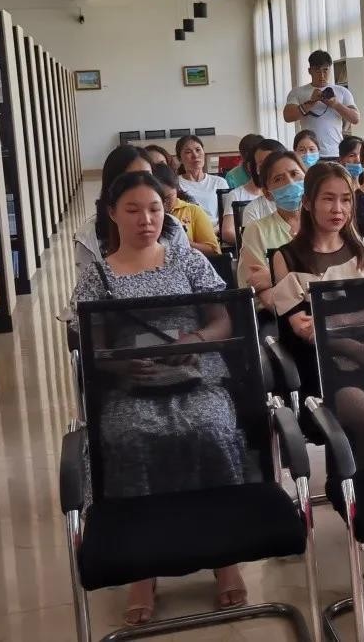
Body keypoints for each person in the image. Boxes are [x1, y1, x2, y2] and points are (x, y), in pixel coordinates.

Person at [70, 171, 248, 627]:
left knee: (211, 429)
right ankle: (142, 567)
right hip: (132, 384)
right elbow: (93, 345)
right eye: (132, 210)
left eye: (153, 209)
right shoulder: (98, 276)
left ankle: (224, 554)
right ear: (112, 214)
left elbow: (222, 320)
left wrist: (197, 339)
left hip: (196, 374)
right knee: (129, 438)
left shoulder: (188, 260)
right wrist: (120, 363)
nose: (145, 220)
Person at [268, 161, 364, 581]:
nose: (338, 209)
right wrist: (351, 342)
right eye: (328, 199)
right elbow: (301, 329)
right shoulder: (286, 257)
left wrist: (331, 320)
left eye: (346, 199)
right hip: (324, 366)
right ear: (309, 203)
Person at [74, 145, 190, 276]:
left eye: (148, 176)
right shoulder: (88, 238)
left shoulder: (173, 227)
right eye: (131, 179)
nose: (142, 183)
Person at [237, 150, 305, 310]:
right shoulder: (256, 231)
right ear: (268, 194)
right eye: (278, 179)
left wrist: (274, 275)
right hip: (276, 315)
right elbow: (263, 291)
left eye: (294, 174)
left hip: (327, 310)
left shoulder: (323, 223)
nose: (290, 183)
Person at [282, 50, 360, 156]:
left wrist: (336, 104)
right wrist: (311, 102)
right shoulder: (297, 92)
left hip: (335, 152)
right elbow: (288, 116)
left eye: (325, 70)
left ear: (330, 69)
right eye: (317, 71)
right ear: (310, 71)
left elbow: (355, 118)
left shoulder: (342, 91)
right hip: (308, 154)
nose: (322, 75)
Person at [222, 138, 285, 245]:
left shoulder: (293, 196)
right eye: (263, 164)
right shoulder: (242, 200)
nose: (271, 169)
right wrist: (248, 242)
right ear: (251, 167)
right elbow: (228, 231)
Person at [151, 163, 221, 256]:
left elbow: (213, 250)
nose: (164, 203)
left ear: (177, 190)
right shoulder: (146, 217)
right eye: (160, 198)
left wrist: (182, 241)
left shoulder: (192, 211)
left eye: (168, 197)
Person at [175, 135, 228, 223]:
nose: (195, 155)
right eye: (188, 152)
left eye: (198, 150)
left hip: (217, 229)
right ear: (179, 159)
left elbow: (228, 214)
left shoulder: (219, 182)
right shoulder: (175, 184)